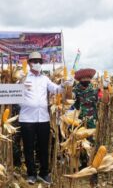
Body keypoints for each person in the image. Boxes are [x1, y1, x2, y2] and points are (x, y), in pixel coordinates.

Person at [18, 51, 72, 185]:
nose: (37, 64)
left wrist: (65, 84)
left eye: (39, 62)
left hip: (43, 119)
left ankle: (43, 173)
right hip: (26, 119)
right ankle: (31, 174)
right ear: (29, 63)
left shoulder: (45, 79)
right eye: (34, 61)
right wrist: (20, 85)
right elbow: (14, 96)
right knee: (28, 147)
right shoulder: (23, 78)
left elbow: (57, 90)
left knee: (43, 147)